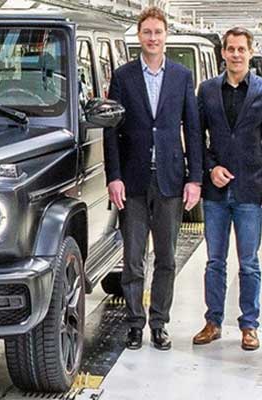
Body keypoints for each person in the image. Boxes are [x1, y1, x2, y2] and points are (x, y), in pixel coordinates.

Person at [103, 7, 202, 351]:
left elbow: (192, 128)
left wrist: (194, 178)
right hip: (132, 179)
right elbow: (111, 130)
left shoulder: (182, 76)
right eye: (147, 32)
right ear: (139, 35)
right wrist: (114, 176)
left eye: (158, 32)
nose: (153, 38)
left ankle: (159, 323)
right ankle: (135, 323)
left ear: (166, 36)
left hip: (170, 179)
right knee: (133, 258)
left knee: (166, 258)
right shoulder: (123, 76)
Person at [192, 27, 262, 351]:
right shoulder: (207, 90)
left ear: (250, 52)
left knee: (249, 263)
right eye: (230, 49)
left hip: (250, 190)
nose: (235, 54)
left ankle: (249, 325)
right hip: (216, 192)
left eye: (241, 49)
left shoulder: (261, 90)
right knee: (215, 262)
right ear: (222, 53)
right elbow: (197, 138)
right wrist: (210, 168)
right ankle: (213, 322)